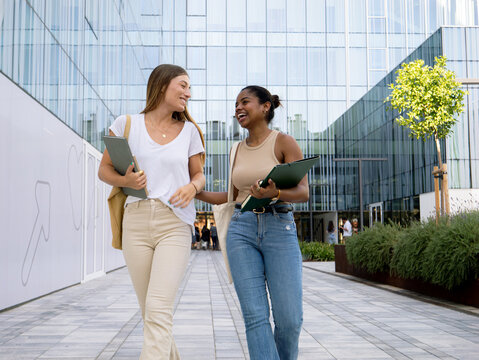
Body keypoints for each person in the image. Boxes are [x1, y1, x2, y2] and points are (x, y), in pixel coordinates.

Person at [98, 64, 205, 360]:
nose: (188, 92)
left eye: (189, 87)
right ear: (161, 86)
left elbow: (199, 175)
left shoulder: (190, 132)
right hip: (136, 221)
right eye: (182, 85)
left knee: (157, 309)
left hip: (174, 222)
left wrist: (192, 188)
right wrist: (126, 181)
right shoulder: (125, 124)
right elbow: (104, 170)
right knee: (151, 313)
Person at [196, 85, 308, 360]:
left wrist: (276, 193)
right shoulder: (236, 150)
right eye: (235, 104)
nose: (238, 108)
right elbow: (232, 196)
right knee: (256, 317)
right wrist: (194, 191)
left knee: (290, 319)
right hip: (241, 230)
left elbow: (303, 192)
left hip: (279, 227)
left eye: (244, 102)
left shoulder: (283, 142)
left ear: (265, 106)